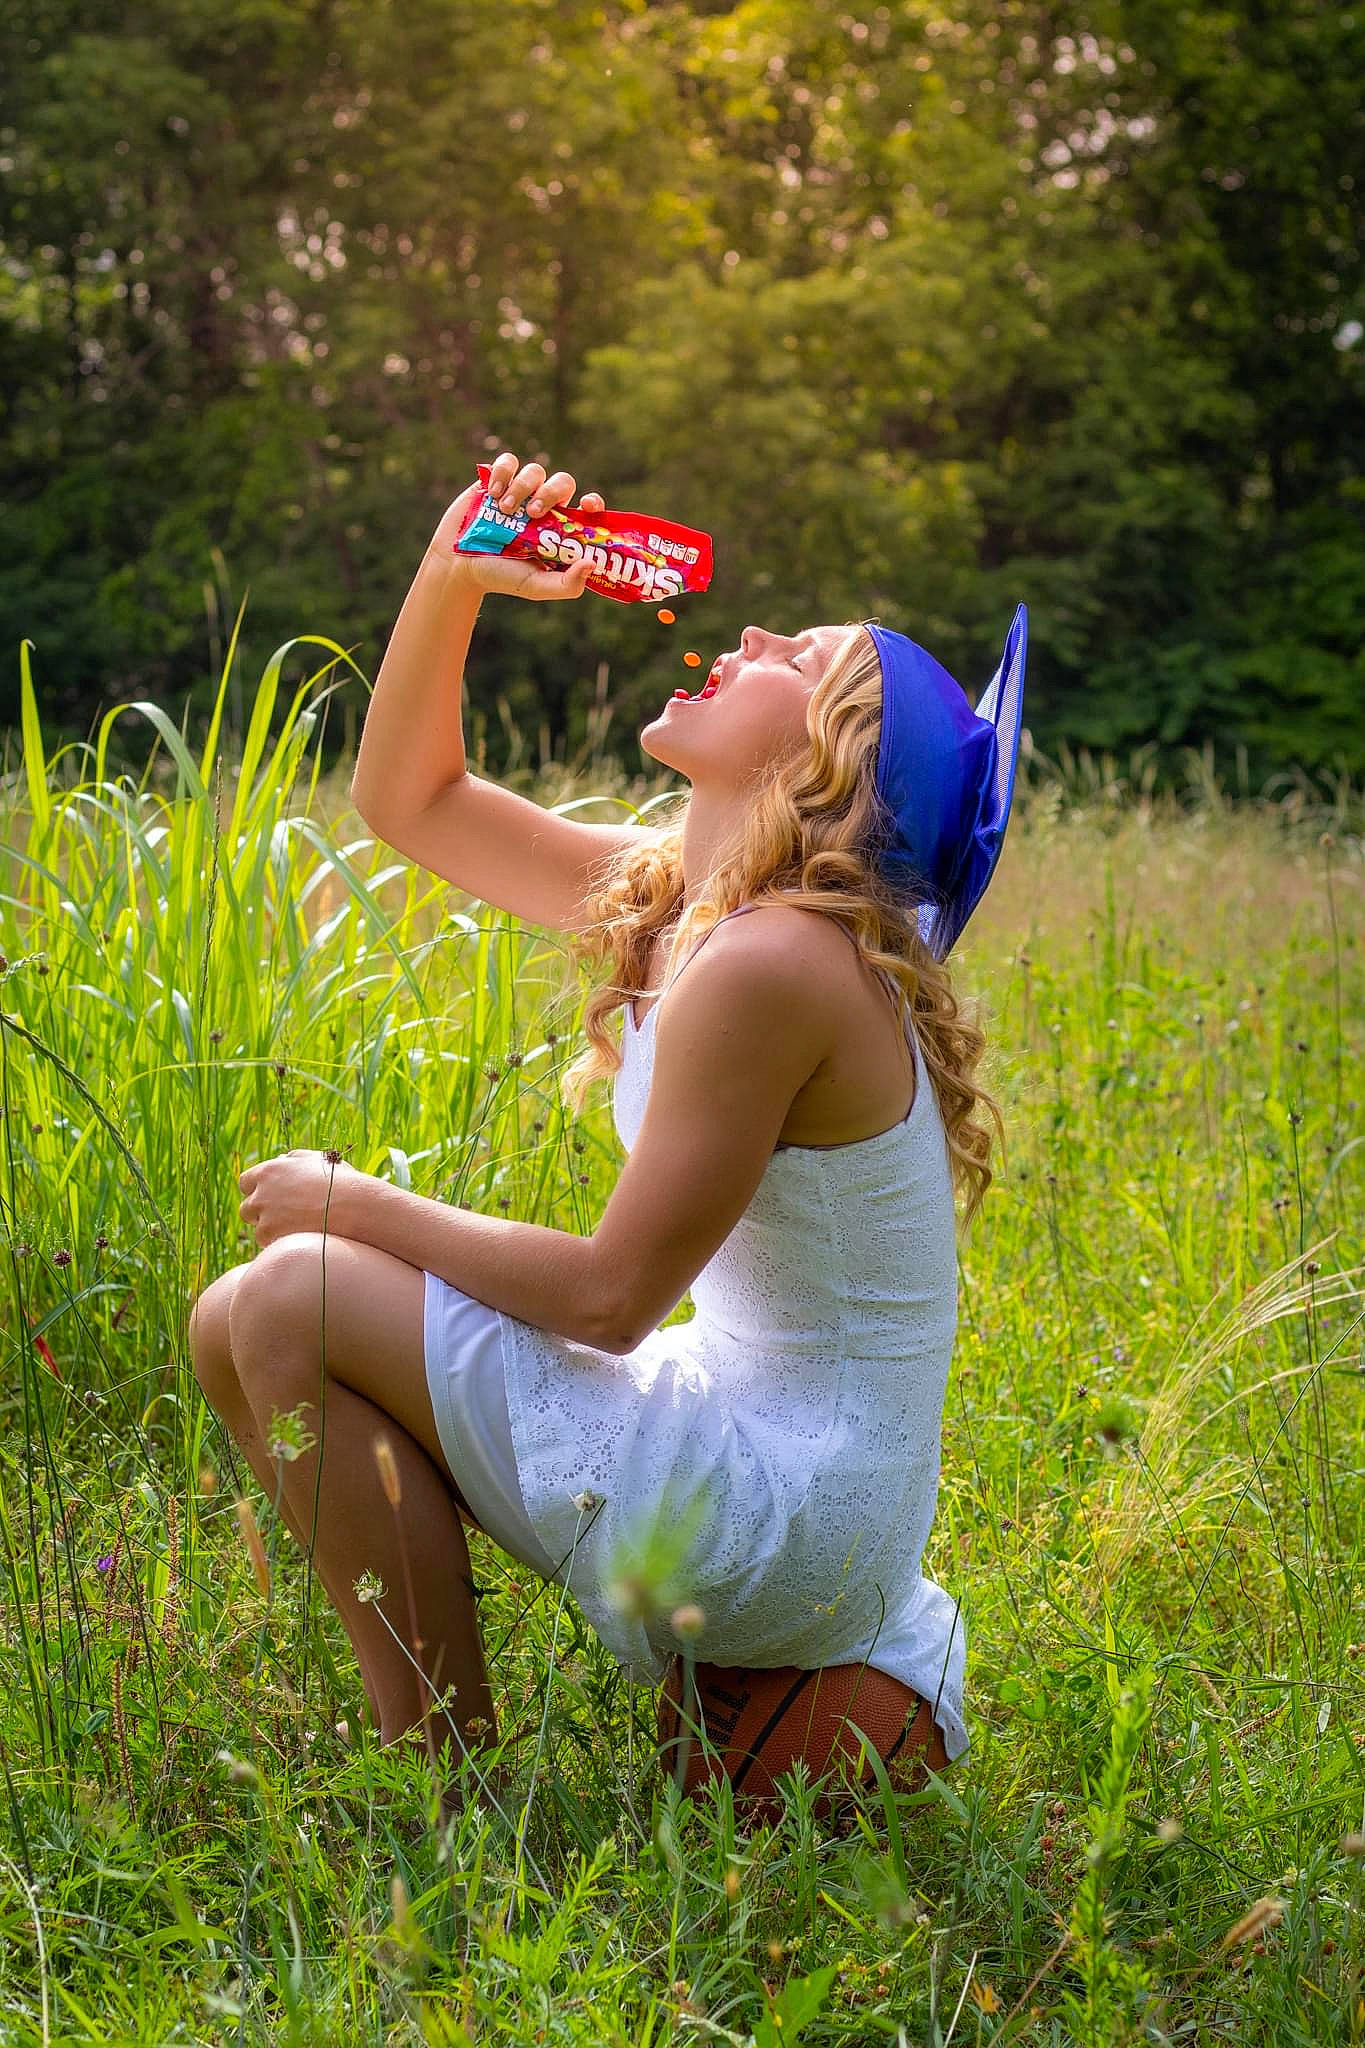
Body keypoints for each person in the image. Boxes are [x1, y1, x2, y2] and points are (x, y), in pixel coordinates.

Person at [188, 451, 1028, 1801]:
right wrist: (454, 570)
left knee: (293, 1290)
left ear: (832, 761)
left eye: (793, 655)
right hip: (759, 1440)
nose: (747, 634)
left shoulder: (777, 962)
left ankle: (443, 1782)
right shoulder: (692, 910)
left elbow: (609, 1296)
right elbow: (410, 802)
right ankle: (439, 1761)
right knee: (235, 1317)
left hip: (785, 1501)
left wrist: (355, 1202)